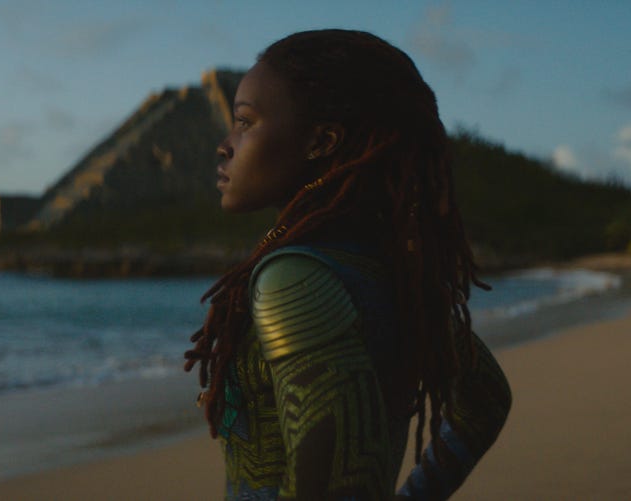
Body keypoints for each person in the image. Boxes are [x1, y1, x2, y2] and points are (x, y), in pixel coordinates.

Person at [184, 29, 511, 500]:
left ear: (322, 141)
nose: (225, 145)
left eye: (245, 123)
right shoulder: (386, 270)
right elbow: (485, 398)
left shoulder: (291, 279)